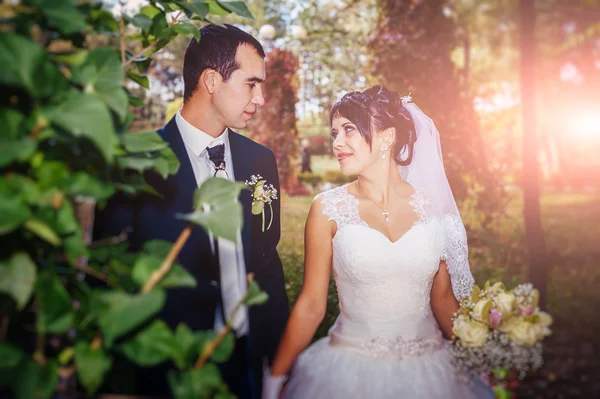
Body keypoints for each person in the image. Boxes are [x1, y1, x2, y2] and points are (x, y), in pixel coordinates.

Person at [94, 24, 289, 399]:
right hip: (165, 372)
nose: (261, 98)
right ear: (212, 80)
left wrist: (275, 362)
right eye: (251, 84)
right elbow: (111, 278)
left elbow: (267, 262)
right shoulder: (136, 165)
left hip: (247, 363)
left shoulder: (261, 162)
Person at [262, 85, 494, 398]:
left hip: (430, 374)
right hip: (348, 373)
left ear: (386, 137)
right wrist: (275, 379)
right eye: (334, 133)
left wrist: (482, 364)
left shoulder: (433, 208)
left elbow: (443, 300)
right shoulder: (327, 209)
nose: (337, 143)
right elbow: (312, 305)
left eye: (348, 130)